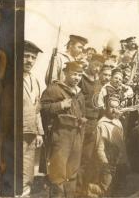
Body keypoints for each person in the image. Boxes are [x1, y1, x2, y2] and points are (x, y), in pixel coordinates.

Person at [40, 61, 86, 197]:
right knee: (58, 171)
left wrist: (83, 119)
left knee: (72, 171)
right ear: (66, 73)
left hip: (77, 134)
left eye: (79, 75)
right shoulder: (54, 89)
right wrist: (60, 105)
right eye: (74, 74)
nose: (77, 77)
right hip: (60, 135)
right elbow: (42, 108)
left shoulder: (80, 93)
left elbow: (82, 112)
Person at [77, 54, 105, 195]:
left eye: (100, 66)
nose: (97, 68)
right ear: (89, 63)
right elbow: (76, 101)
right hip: (82, 121)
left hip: (93, 123)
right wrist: (81, 116)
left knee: (88, 158)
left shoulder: (99, 81)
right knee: (78, 157)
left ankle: (84, 189)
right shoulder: (81, 79)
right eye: (95, 65)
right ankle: (76, 190)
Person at [22, 40, 44, 196]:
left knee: (27, 171)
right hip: (13, 133)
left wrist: (39, 132)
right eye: (26, 56)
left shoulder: (35, 81)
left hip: (30, 133)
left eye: (33, 57)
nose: (29, 60)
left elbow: (37, 109)